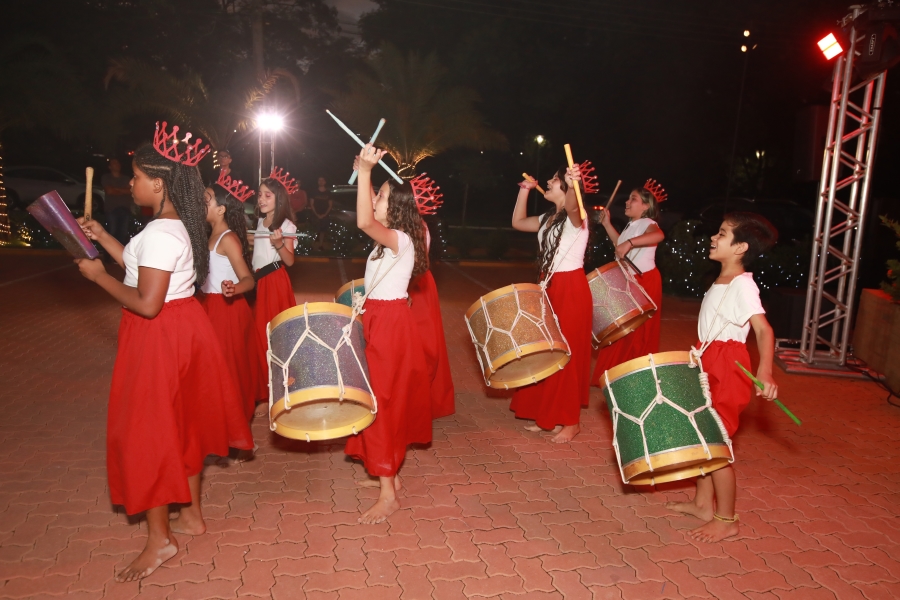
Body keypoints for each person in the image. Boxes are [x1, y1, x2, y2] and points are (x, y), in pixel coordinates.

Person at [74, 124, 253, 582]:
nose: (129, 184)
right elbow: (140, 269)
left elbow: (145, 300)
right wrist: (103, 239)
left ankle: (160, 541)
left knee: (148, 433)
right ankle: (189, 516)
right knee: (182, 425)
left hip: (157, 334)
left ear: (158, 182)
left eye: (134, 176)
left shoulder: (160, 231)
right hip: (182, 328)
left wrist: (97, 278)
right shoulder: (179, 225)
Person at [666, 212, 779, 542]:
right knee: (702, 434)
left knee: (715, 445)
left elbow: (764, 330)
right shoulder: (723, 280)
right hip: (709, 358)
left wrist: (765, 370)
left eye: (722, 234)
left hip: (728, 367)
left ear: (740, 247)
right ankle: (702, 504)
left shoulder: (743, 286)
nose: (714, 238)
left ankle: (727, 519)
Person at [345, 144, 430, 524]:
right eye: (374, 193)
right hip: (379, 318)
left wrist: (364, 172)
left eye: (379, 195)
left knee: (382, 403)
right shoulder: (388, 244)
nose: (374, 199)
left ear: (394, 205)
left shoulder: (403, 240)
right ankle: (388, 476)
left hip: (392, 326)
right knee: (376, 399)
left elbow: (363, 221)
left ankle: (387, 493)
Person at [510, 166, 592, 443]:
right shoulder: (547, 217)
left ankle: (571, 421)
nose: (547, 181)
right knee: (544, 350)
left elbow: (572, 207)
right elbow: (518, 222)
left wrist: (572, 185)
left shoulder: (577, 215)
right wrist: (524, 191)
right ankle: (544, 413)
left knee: (566, 353)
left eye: (554, 179)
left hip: (570, 287)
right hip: (548, 284)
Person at [200, 174, 267, 426]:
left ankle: (239, 433)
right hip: (210, 308)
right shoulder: (211, 236)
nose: (200, 202)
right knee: (215, 371)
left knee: (230, 371)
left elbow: (248, 279)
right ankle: (220, 426)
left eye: (205, 199)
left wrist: (234, 288)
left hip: (227, 311)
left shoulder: (227, 238)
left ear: (221, 209)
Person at [590, 180, 666, 386]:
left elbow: (658, 235)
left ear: (646, 206)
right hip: (630, 280)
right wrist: (607, 224)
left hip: (644, 280)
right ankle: (617, 376)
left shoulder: (649, 223)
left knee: (638, 333)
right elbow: (620, 245)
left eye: (634, 199)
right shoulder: (633, 225)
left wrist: (630, 242)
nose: (627, 202)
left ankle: (635, 378)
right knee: (621, 329)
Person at [252, 168, 297, 365]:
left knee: (274, 333)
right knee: (259, 333)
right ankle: (264, 381)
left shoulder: (287, 226)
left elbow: (289, 261)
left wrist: (278, 243)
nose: (261, 199)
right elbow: (259, 247)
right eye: (260, 195)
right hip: (258, 281)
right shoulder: (261, 221)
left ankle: (281, 378)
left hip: (274, 281)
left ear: (278, 199)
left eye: (267, 195)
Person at [101, 158, 134, 246]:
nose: (117, 164)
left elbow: (130, 191)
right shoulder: (106, 177)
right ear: (110, 167)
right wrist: (123, 190)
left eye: (118, 162)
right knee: (111, 233)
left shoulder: (126, 178)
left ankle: (120, 256)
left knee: (123, 234)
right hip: (112, 209)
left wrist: (115, 189)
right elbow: (109, 191)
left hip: (125, 209)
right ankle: (108, 257)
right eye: (114, 163)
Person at [311, 176, 332, 251]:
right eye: (319, 180)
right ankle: (312, 246)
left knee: (323, 231)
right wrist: (317, 214)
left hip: (325, 215)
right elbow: (312, 204)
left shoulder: (328, 193)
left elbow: (330, 205)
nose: (321, 182)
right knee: (314, 230)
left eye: (322, 180)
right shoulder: (314, 192)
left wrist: (324, 215)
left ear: (325, 182)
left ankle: (320, 245)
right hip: (315, 215)